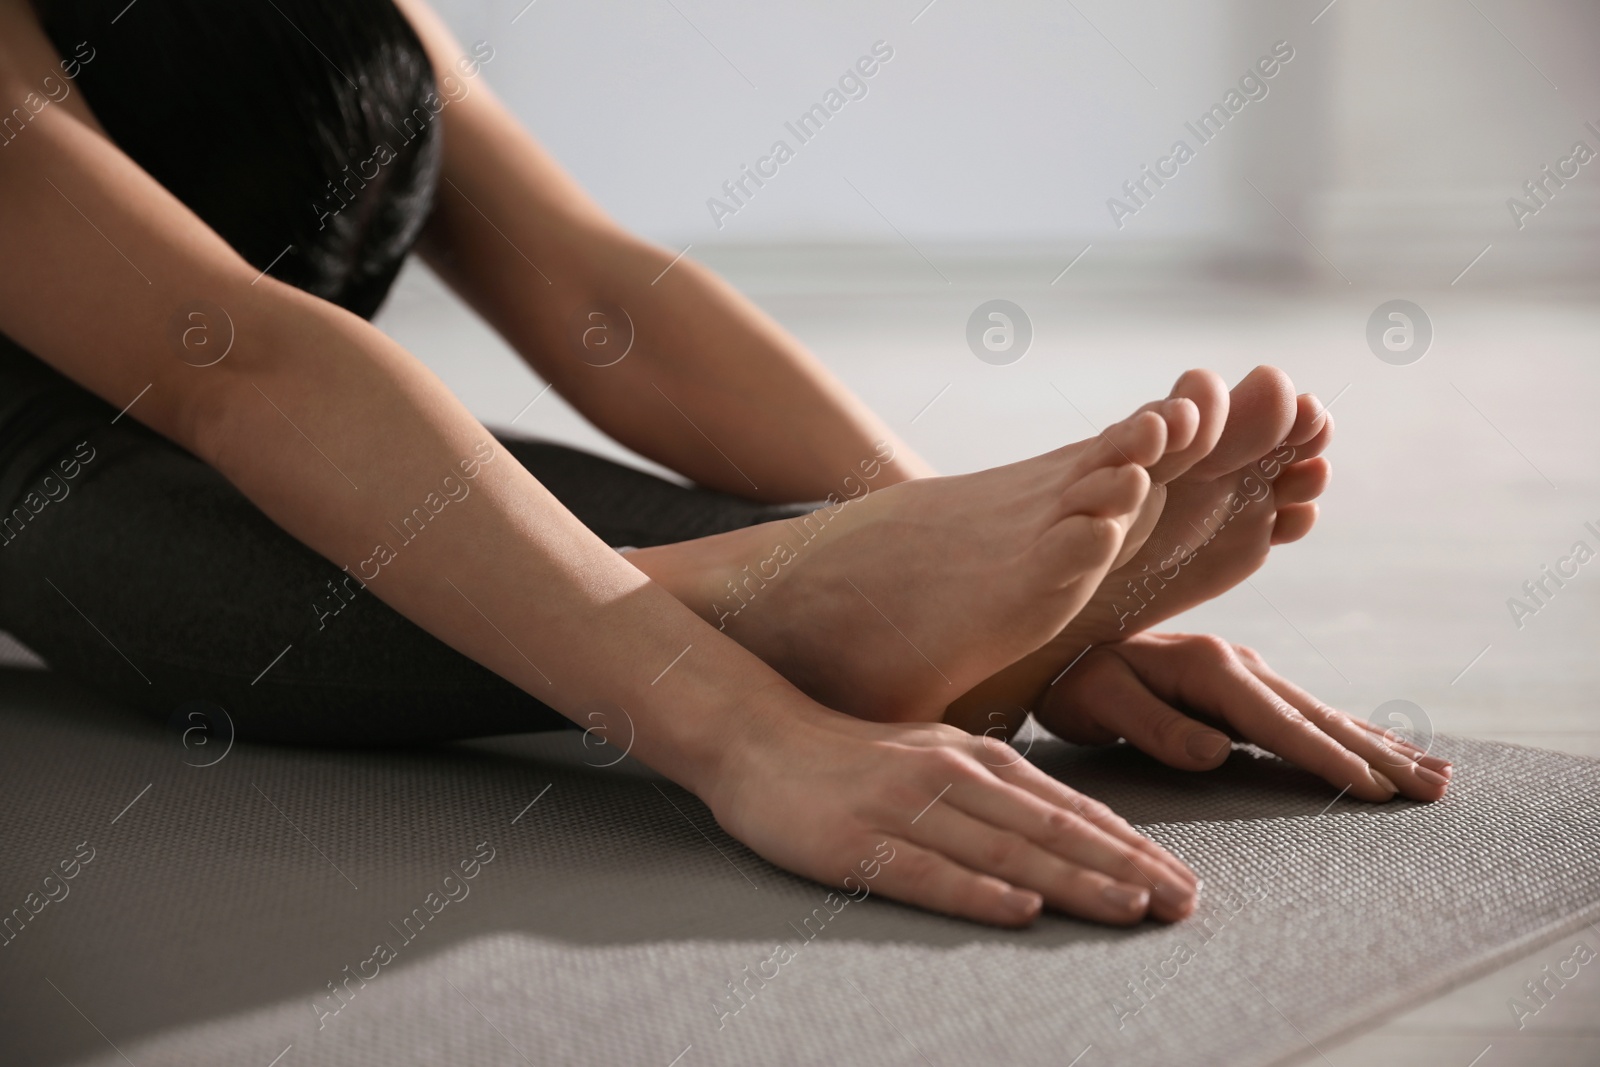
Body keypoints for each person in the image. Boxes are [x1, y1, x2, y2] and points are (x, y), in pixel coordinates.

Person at [0, 0, 1450, 930]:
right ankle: (779, 595)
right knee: (120, 521)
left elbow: (594, 291)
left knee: (634, 529)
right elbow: (233, 364)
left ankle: (805, 580)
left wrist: (988, 585)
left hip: (304, 424)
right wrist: (740, 731)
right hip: (61, 485)